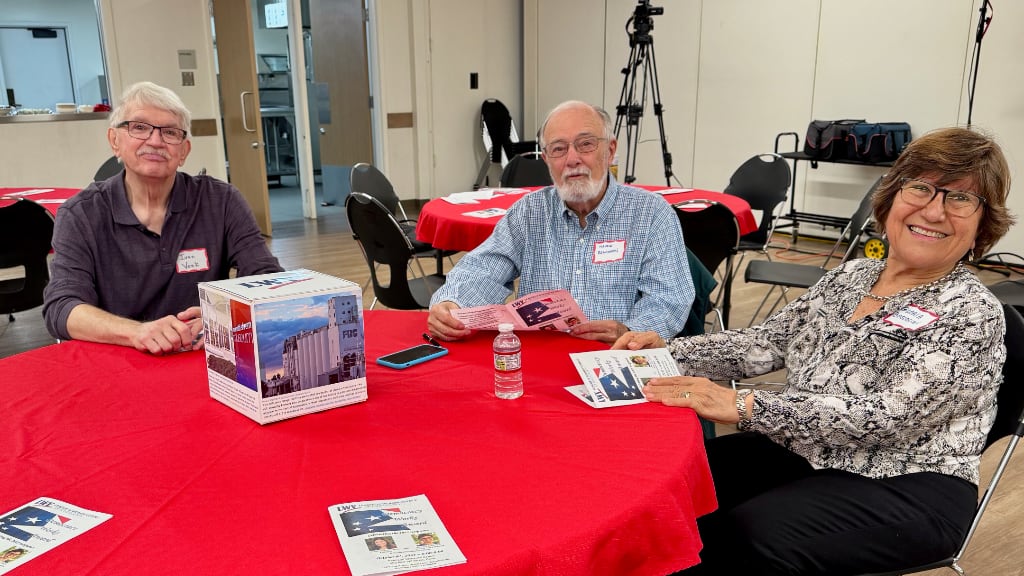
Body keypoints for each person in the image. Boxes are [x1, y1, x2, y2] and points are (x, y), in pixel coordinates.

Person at [613, 127, 1015, 575]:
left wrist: (743, 405)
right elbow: (765, 345)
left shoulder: (971, 311)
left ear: (983, 223)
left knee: (751, 534)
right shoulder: (853, 276)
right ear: (893, 196)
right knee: (672, 479)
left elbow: (883, 418)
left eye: (960, 199)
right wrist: (667, 351)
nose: (934, 210)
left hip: (909, 482)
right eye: (920, 187)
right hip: (810, 449)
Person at [43, 81, 283, 354]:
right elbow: (62, 307)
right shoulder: (82, 214)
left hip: (202, 356)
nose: (156, 141)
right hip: (119, 359)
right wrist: (137, 332)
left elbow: (267, 277)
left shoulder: (221, 201)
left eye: (170, 132)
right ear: (115, 141)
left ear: (183, 151)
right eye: (139, 127)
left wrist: (224, 317)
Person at [427, 100, 693, 344]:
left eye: (586, 144)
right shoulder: (529, 212)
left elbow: (668, 299)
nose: (572, 159)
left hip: (616, 354)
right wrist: (453, 303)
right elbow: (484, 268)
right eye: (559, 149)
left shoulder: (652, 214)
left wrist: (630, 331)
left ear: (610, 151)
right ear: (546, 160)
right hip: (539, 359)